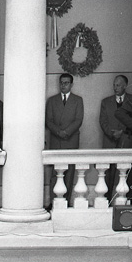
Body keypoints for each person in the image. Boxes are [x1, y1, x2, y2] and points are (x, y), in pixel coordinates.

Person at [99, 74, 132, 202]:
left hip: (127, 141)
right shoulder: (106, 102)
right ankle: (106, 201)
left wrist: (122, 133)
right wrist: (112, 134)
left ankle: (129, 201)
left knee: (129, 173)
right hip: (110, 141)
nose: (115, 88)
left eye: (118, 85)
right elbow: (103, 122)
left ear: (125, 86)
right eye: (114, 85)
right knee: (108, 174)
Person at [45, 73, 84, 203]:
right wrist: (58, 132)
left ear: (71, 84)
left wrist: (66, 132)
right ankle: (53, 202)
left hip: (71, 140)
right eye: (61, 83)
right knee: (55, 173)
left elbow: (78, 120)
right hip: (56, 140)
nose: (63, 85)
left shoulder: (78, 100)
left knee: (69, 173)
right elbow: (48, 120)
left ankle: (66, 202)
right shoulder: (52, 100)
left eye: (66, 83)